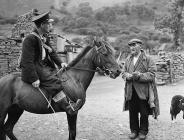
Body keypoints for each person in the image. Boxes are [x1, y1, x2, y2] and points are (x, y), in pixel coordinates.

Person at [20, 10, 79, 114]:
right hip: (34, 67)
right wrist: (34, 78)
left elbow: (52, 53)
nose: (51, 25)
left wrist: (61, 63)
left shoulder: (44, 37)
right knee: (54, 82)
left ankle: (63, 100)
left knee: (60, 76)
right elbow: (27, 61)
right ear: (42, 25)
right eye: (49, 23)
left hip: (43, 65)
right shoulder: (30, 39)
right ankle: (68, 107)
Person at [122, 38, 160, 140]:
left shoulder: (148, 59)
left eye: (134, 45)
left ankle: (143, 131)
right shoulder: (128, 59)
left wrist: (140, 76)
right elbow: (123, 72)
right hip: (130, 91)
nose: (132, 47)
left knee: (144, 112)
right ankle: (134, 131)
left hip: (143, 92)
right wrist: (127, 76)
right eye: (130, 45)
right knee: (132, 112)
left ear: (140, 46)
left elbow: (152, 74)